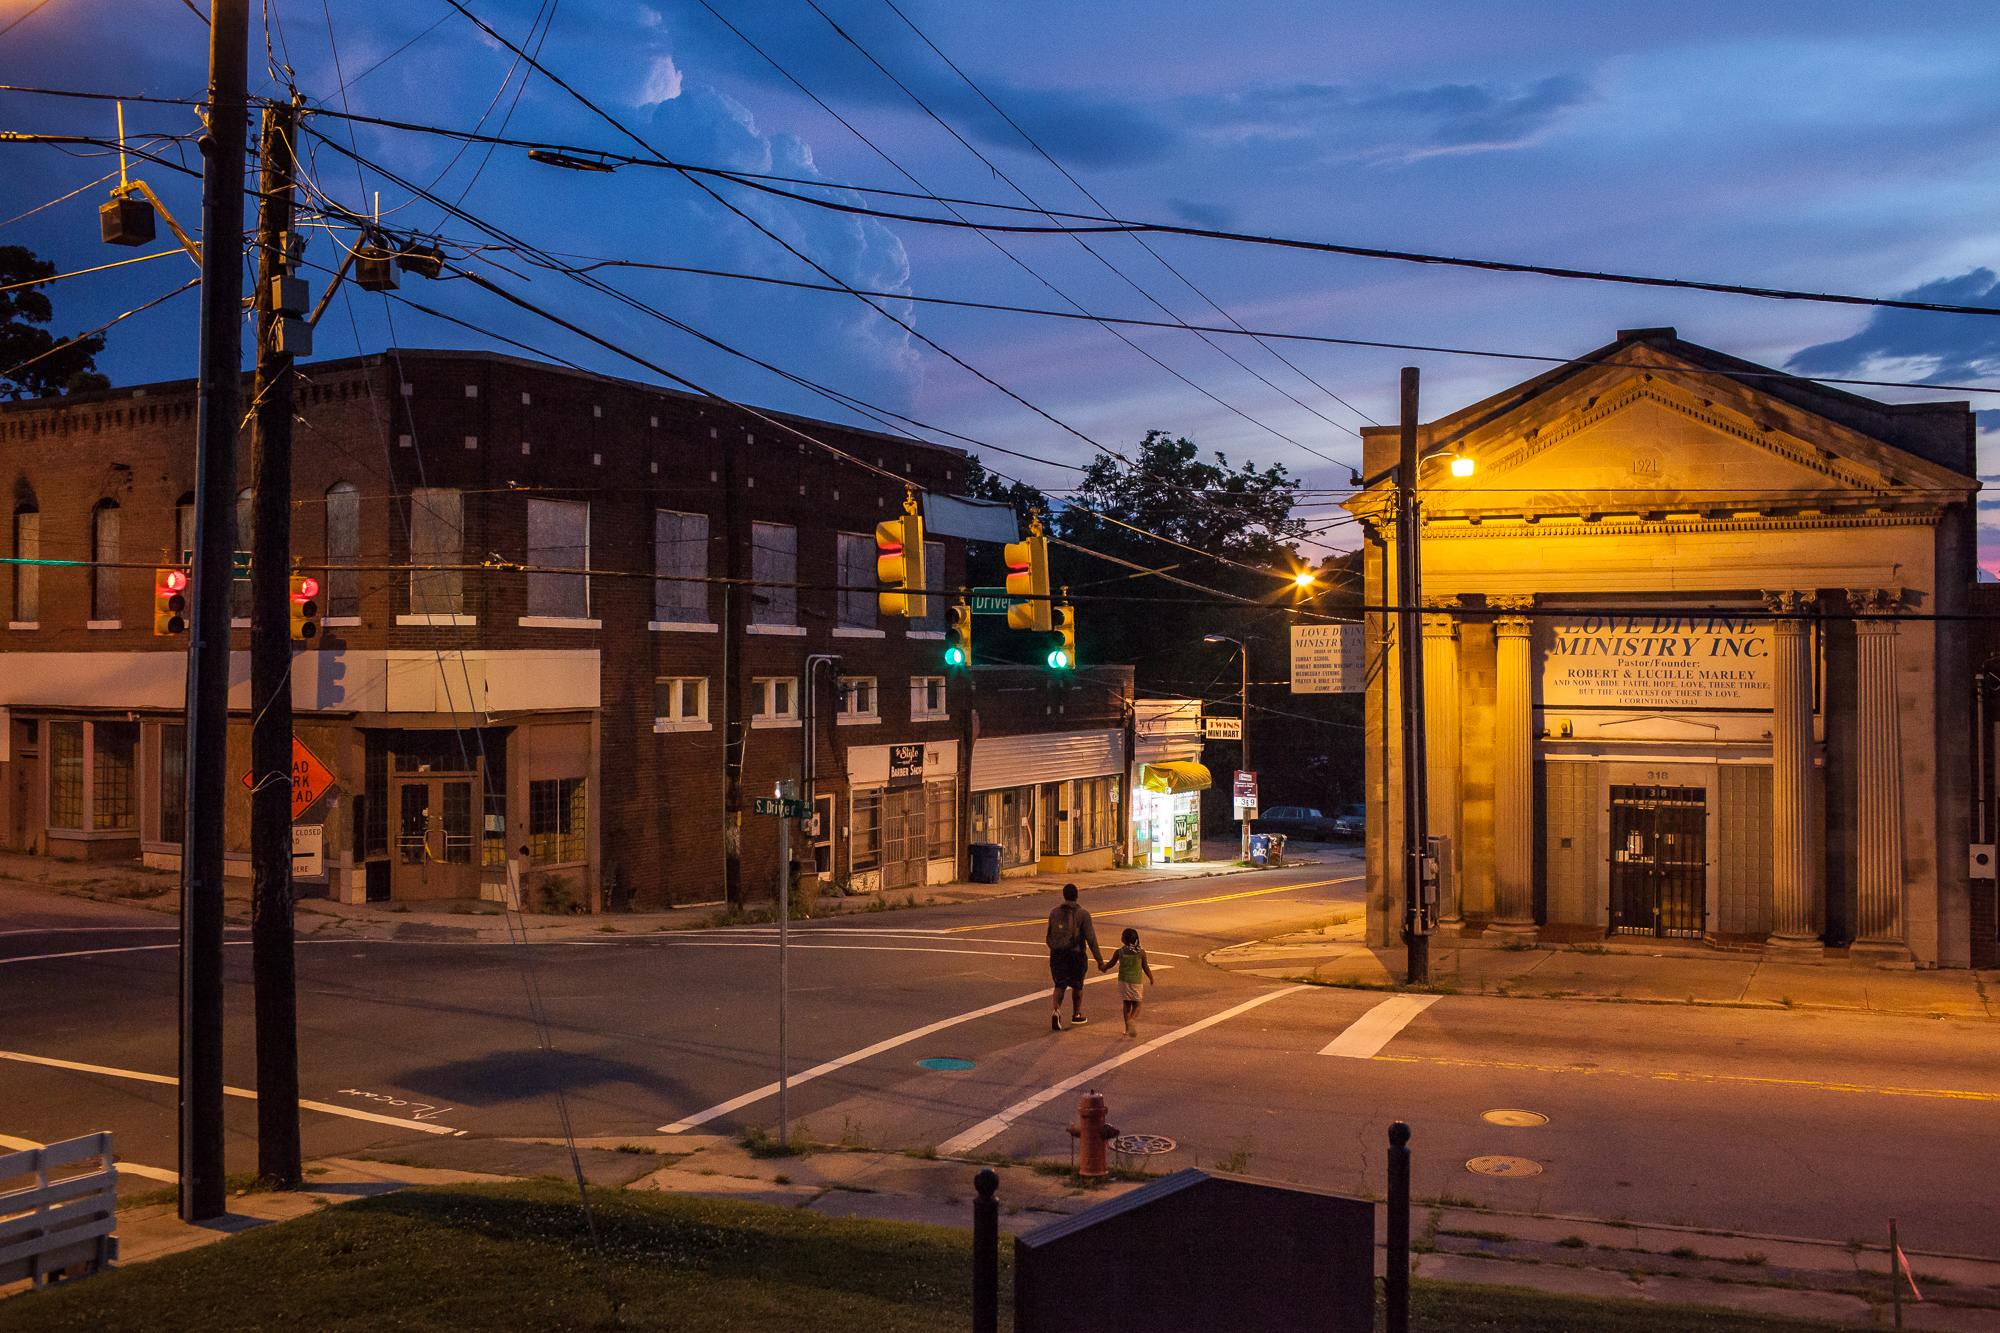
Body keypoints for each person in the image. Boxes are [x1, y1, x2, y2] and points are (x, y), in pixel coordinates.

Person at [1046, 884, 1104, 1032]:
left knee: (1059, 984)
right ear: (1076, 895)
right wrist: (1099, 960)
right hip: (1076, 954)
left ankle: (1056, 1011)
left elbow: (1050, 935)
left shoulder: (1054, 912)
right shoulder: (1083, 914)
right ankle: (1076, 1014)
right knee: (1077, 985)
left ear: (1064, 895)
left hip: (1057, 953)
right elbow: (1091, 939)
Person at [1102, 927, 1156, 1037]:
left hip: (1123, 981)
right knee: (1137, 1005)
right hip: (1136, 982)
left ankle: (1127, 1028)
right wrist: (1151, 977)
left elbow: (1111, 963)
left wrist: (1104, 967)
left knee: (1126, 1004)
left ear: (1123, 940)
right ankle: (1132, 1020)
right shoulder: (1141, 953)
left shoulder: (1119, 952)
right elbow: (1145, 967)